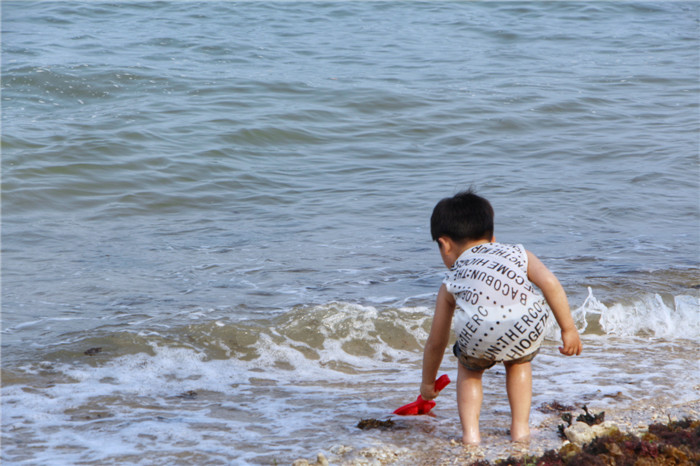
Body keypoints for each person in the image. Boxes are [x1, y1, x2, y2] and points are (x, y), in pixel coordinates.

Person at [420, 189, 582, 445]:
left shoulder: (451, 278)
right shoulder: (519, 253)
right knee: (518, 363)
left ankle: (471, 436)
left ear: (444, 244)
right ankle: (520, 430)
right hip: (526, 322)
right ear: (493, 239)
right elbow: (550, 283)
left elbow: (436, 341)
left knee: (469, 370)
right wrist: (568, 328)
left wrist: (427, 384)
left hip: (477, 333)